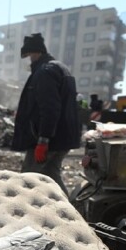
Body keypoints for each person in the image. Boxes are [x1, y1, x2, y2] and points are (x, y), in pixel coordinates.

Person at [11, 33, 81, 196]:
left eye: (29, 56)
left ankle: (23, 214)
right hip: (62, 138)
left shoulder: (45, 72)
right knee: (52, 176)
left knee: (28, 179)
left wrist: (43, 140)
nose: (30, 60)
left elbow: (50, 108)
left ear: (36, 52)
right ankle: (69, 213)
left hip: (50, 140)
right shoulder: (59, 68)